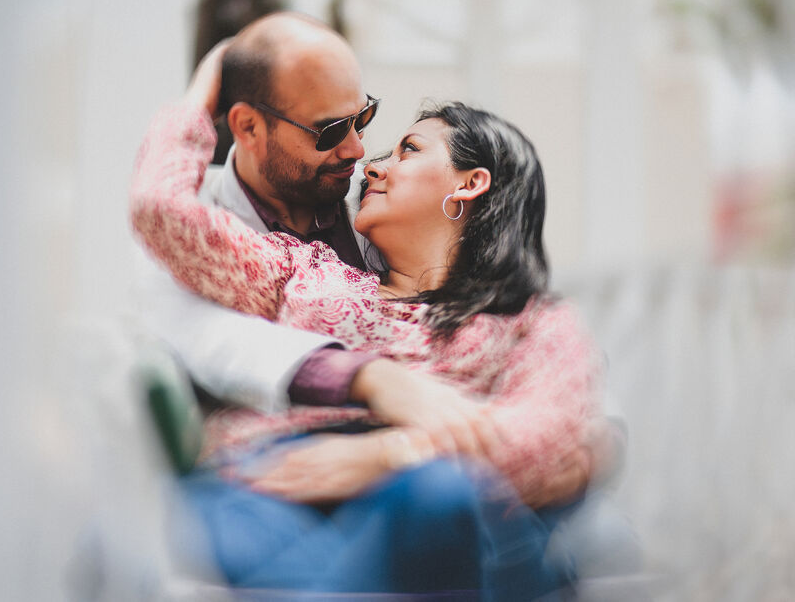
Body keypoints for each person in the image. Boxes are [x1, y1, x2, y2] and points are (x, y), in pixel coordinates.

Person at [129, 32, 605, 599]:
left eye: (406, 151)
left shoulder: (531, 321)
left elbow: (550, 437)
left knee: (443, 499)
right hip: (274, 483)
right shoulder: (304, 269)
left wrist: (384, 455)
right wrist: (201, 96)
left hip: (418, 494)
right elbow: (160, 212)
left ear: (470, 184)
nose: (369, 164)